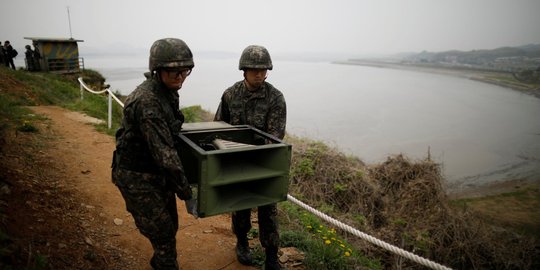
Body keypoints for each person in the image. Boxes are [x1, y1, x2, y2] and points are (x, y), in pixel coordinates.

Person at [111, 38, 194, 270]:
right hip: (136, 176)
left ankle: (160, 262)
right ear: (157, 70)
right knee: (164, 235)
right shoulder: (147, 101)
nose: (180, 77)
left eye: (184, 71)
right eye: (173, 72)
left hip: (156, 173)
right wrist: (187, 193)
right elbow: (165, 153)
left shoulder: (167, 90)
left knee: (170, 226)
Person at [214, 45, 287, 270]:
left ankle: (272, 257)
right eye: (254, 69)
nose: (259, 74)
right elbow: (219, 127)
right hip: (236, 163)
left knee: (268, 211)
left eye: (263, 69)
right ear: (244, 70)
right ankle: (242, 242)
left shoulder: (275, 98)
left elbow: (274, 137)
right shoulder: (230, 94)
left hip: (265, 165)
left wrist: (257, 159)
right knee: (240, 206)